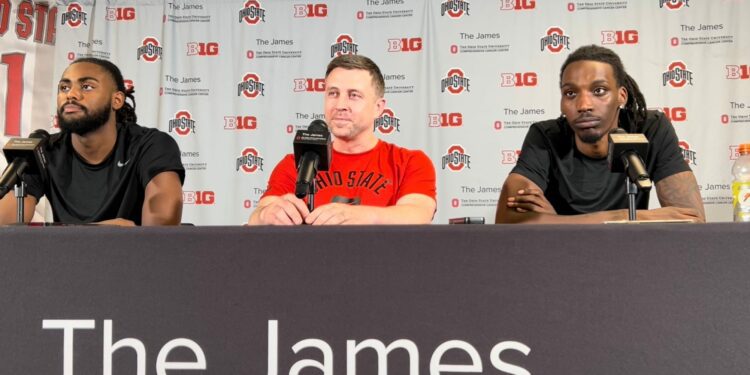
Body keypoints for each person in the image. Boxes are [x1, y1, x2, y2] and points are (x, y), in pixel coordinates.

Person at [495, 45, 705, 224]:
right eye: (570, 93)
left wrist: (556, 221)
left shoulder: (650, 128)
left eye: (599, 91)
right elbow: (507, 219)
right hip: (562, 256)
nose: (584, 105)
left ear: (621, 95)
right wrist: (624, 217)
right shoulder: (545, 136)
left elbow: (692, 220)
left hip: (630, 255)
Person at [248, 54, 436, 225]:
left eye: (354, 95)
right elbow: (258, 217)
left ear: (379, 107)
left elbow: (418, 213)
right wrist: (267, 215)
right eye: (333, 93)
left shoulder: (410, 162)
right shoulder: (297, 162)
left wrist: (357, 216)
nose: (340, 105)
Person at [0, 58, 185, 226]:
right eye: (64, 88)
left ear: (117, 100)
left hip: (133, 259)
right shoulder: (45, 152)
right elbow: (5, 224)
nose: (71, 95)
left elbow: (161, 230)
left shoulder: (150, 145)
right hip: (67, 259)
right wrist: (101, 231)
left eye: (86, 87)